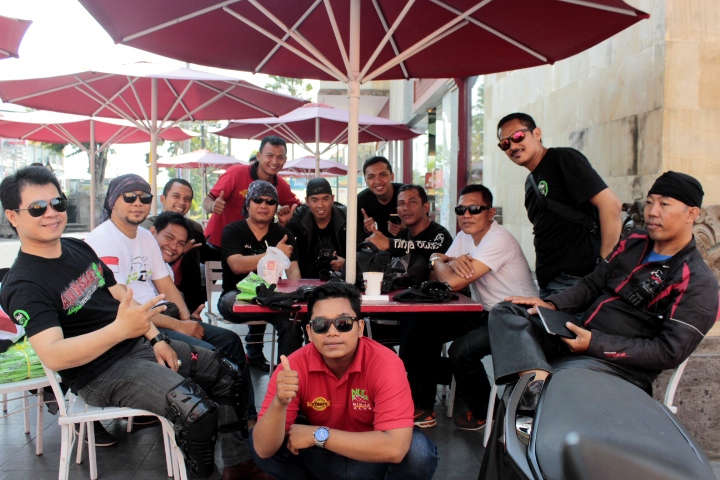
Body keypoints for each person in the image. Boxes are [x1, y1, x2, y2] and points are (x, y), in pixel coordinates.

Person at [0, 167, 250, 480]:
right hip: (99, 373)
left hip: (137, 346)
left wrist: (157, 338)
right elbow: (53, 354)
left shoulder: (78, 247)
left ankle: (239, 465)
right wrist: (120, 330)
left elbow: (122, 295)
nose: (51, 213)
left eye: (57, 203)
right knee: (195, 409)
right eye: (37, 208)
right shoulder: (23, 283)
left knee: (228, 374)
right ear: (13, 216)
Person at [85, 175, 268, 478]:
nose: (138, 203)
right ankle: (224, 455)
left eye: (144, 197)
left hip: (164, 317)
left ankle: (242, 439)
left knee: (231, 343)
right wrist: (178, 326)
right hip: (134, 332)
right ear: (112, 200)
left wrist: (187, 319)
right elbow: (124, 306)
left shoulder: (144, 238)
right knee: (216, 361)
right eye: (129, 197)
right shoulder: (102, 240)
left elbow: (166, 285)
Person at [489, 171, 719, 409]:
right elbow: (592, 284)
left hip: (619, 366)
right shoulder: (634, 242)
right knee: (508, 312)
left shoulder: (697, 282)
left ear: (692, 214)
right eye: (650, 202)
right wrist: (552, 304)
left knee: (555, 381)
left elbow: (667, 352)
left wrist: (594, 343)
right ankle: (536, 386)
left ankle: (535, 400)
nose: (652, 212)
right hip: (579, 331)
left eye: (664, 204)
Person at [249, 282, 439, 480]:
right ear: (310, 332)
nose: (332, 332)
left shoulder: (385, 363)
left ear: (360, 328)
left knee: (418, 452)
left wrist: (318, 434)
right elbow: (262, 449)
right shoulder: (292, 366)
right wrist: (279, 404)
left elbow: (395, 448)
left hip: (371, 456)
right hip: (321, 458)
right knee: (262, 435)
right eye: (321, 324)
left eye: (343, 323)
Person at [429, 184, 536, 430]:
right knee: (426, 329)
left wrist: (440, 261)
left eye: (475, 209)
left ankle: (487, 413)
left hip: (518, 316)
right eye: (461, 210)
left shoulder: (498, 239)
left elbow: (453, 283)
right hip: (487, 312)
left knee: (461, 351)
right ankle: (422, 399)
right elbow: (438, 276)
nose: (466, 215)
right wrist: (437, 259)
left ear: (490, 213)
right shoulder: (464, 236)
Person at [497, 112, 622, 297]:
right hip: (549, 282)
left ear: (536, 133)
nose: (513, 146)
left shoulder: (563, 158)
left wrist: (603, 267)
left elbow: (611, 205)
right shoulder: (530, 182)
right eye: (505, 144)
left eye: (517, 136)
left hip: (578, 281)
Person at [363, 184, 454, 427]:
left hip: (441, 310)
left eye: (412, 202)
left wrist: (390, 243)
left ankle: (423, 406)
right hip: (403, 305)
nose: (406, 208)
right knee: (361, 327)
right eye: (401, 203)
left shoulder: (439, 234)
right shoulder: (403, 237)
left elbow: (430, 250)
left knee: (419, 330)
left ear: (426, 206)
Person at [217, 180, 304, 361]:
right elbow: (237, 266)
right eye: (258, 200)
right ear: (248, 204)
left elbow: (294, 273)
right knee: (231, 301)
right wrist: (274, 253)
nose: (264, 205)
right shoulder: (232, 230)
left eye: (270, 201)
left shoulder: (283, 235)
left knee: (291, 323)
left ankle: (284, 373)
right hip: (237, 297)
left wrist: (295, 299)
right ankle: (255, 353)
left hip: (272, 299)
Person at [203, 135, 300, 250]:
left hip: (254, 249)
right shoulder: (236, 173)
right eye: (269, 155)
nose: (274, 161)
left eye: (280, 157)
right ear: (259, 156)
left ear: (285, 160)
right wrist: (212, 206)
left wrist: (285, 215)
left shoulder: (282, 186)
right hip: (219, 244)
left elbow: (298, 209)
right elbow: (207, 200)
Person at [142, 178, 207, 313]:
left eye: (187, 199)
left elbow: (207, 255)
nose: (182, 202)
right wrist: (180, 252)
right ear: (163, 199)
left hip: (188, 298)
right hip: (153, 295)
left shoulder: (195, 229)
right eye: (176, 196)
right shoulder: (147, 227)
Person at [283, 177, 347, 278]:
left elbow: (362, 251)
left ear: (332, 199)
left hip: (341, 281)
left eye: (325, 199)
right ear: (307, 201)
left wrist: (346, 264)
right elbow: (281, 242)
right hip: (305, 280)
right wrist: (282, 224)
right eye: (314, 200)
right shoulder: (300, 216)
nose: (320, 205)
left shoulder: (346, 217)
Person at [357, 156, 404, 241]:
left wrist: (407, 230)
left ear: (392, 176)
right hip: (374, 249)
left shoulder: (407, 194)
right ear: (366, 181)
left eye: (383, 175)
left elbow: (424, 228)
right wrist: (366, 231)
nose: (378, 181)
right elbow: (357, 240)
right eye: (371, 177)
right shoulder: (360, 201)